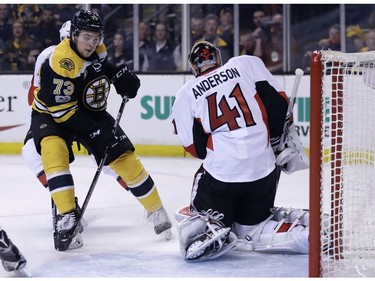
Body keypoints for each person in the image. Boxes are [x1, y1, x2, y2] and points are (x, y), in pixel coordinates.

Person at [30, 9, 172, 252]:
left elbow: (101, 64)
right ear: (73, 35)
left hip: (88, 111)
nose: (92, 42)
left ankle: (156, 209)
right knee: (53, 151)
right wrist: (95, 131)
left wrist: (117, 75)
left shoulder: (97, 47)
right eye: (87, 37)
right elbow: (62, 113)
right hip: (51, 114)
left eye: (96, 37)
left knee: (123, 156)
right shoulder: (60, 61)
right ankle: (66, 215)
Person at [171, 41, 309, 261]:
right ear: (218, 57)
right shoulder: (246, 64)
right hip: (264, 174)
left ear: (195, 67)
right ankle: (295, 231)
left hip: (222, 179)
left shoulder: (186, 93)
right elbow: (281, 108)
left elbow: (196, 149)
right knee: (251, 227)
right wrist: (273, 141)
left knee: (203, 179)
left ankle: (210, 225)